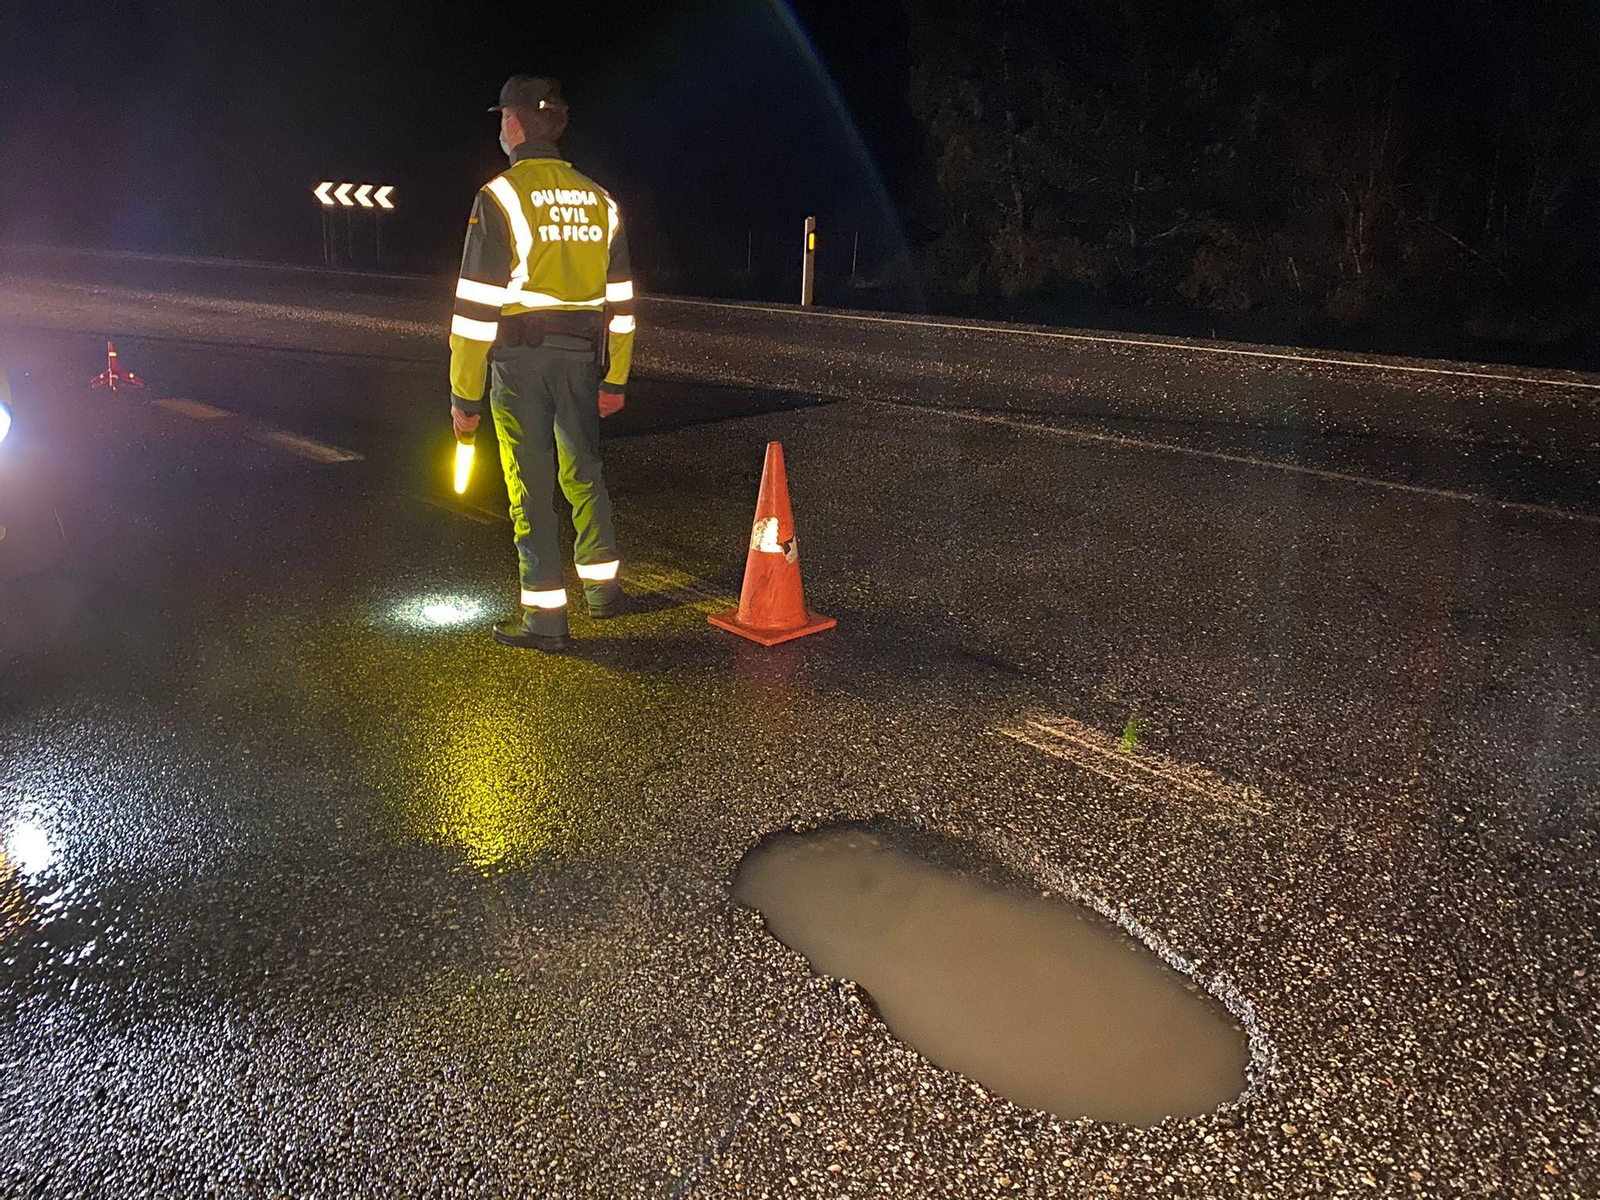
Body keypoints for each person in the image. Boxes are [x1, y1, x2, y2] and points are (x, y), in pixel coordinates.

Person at [448, 74, 638, 652]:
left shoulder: (500, 196)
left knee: (529, 484)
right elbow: (623, 302)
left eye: (501, 117)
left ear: (514, 124)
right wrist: (617, 377)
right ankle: (605, 593)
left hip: (520, 360)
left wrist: (464, 396)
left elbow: (475, 307)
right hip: (583, 357)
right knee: (584, 469)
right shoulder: (601, 200)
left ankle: (546, 619)